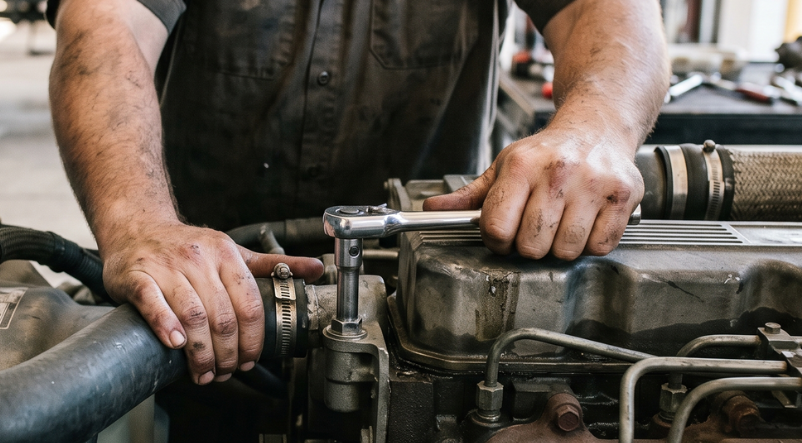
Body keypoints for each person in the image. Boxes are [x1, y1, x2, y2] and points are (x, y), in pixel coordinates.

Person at [47, 0, 669, 386]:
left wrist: (595, 128)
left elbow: (611, 11)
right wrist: (138, 223)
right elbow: (102, 27)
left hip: (423, 330)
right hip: (196, 307)